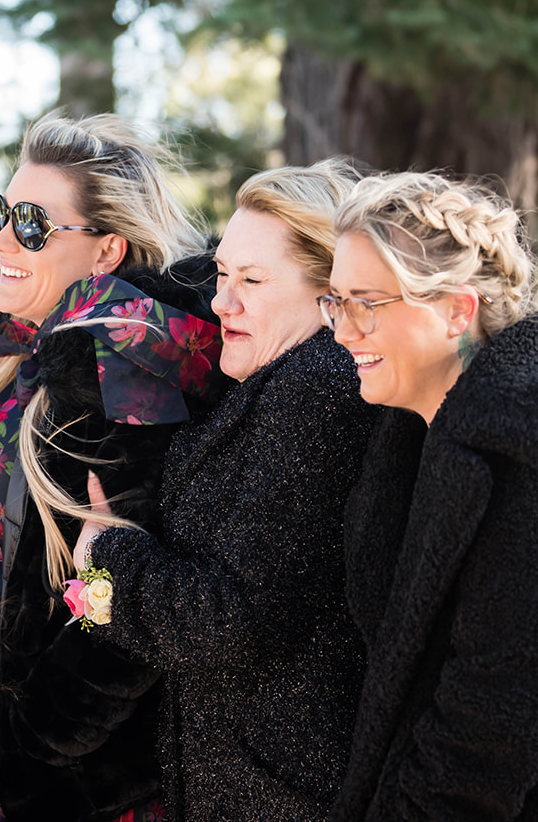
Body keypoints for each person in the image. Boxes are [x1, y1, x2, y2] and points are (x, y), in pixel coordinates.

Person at [0, 114, 226, 822]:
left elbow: (115, 589)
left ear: (106, 249)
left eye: (32, 225)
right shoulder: (16, 352)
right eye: (0, 212)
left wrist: (41, 742)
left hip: (72, 785)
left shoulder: (123, 380)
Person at [323, 171, 538, 820]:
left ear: (456, 310)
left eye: (366, 302)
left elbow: (489, 741)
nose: (342, 330)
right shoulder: (414, 439)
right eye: (334, 301)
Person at [72, 162, 382, 820]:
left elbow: (225, 623)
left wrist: (105, 559)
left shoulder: (317, 391)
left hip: (286, 795)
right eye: (221, 274)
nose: (222, 301)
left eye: (252, 280)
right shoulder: (277, 384)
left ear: (330, 291)